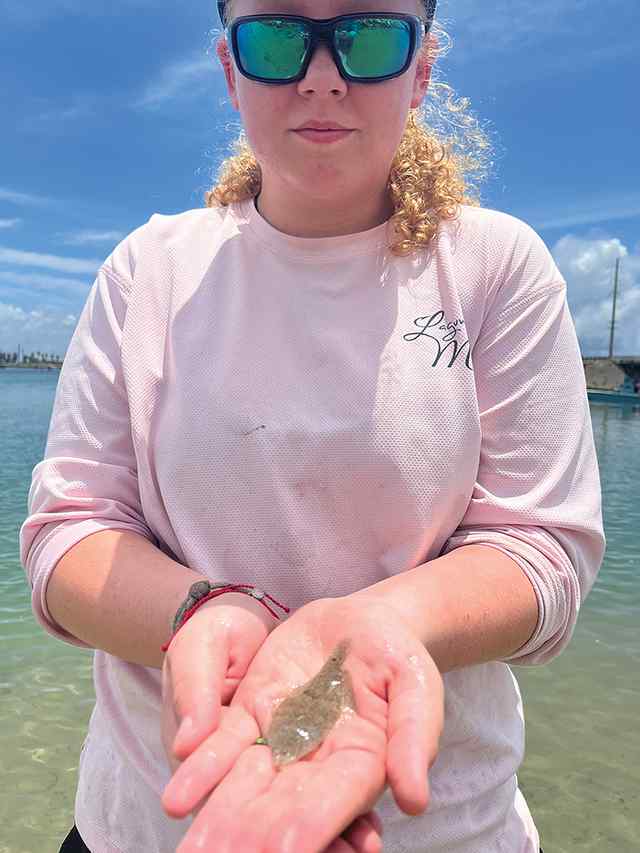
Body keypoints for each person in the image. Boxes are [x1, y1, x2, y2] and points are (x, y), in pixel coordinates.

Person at [19, 1, 604, 851]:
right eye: (277, 38)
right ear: (231, 72)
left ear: (421, 71)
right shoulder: (148, 270)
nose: (322, 77)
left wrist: (383, 623)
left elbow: (543, 546)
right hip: (147, 820)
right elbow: (68, 531)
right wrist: (201, 614)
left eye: (369, 37)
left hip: (444, 827)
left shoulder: (496, 267)